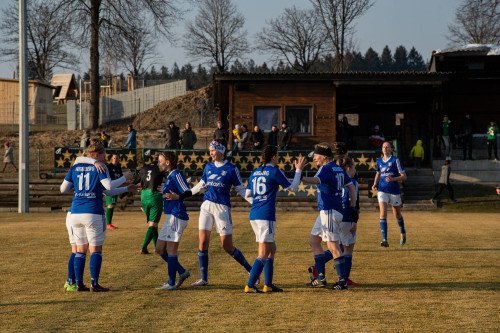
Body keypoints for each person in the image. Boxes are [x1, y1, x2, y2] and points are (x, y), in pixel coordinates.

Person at [60, 139, 133, 292]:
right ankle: (94, 284)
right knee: (95, 250)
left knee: (80, 250)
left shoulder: (76, 167)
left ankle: (78, 284)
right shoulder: (101, 167)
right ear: (95, 155)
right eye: (103, 155)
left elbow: (63, 189)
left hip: (75, 213)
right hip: (93, 212)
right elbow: (108, 186)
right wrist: (125, 177)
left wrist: (126, 188)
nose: (105, 158)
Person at [189, 141, 253, 287]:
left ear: (221, 151)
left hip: (222, 208)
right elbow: (201, 184)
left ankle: (251, 270)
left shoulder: (231, 168)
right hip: (206, 205)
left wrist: (255, 202)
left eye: (213, 150)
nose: (210, 153)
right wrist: (184, 194)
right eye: (210, 150)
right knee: (203, 242)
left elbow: (241, 190)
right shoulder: (208, 166)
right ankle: (204, 279)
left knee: (227, 246)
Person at [244, 146, 305, 293]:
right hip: (266, 216)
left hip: (254, 215)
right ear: (273, 157)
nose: (278, 158)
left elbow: (247, 195)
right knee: (264, 253)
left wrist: (258, 203)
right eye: (277, 155)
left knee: (271, 250)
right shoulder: (274, 171)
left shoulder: (255, 172)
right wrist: (298, 170)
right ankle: (250, 285)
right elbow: (294, 188)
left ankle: (268, 285)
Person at [301, 143, 357, 290]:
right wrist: (353, 207)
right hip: (328, 210)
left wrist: (301, 176)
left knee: (332, 246)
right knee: (314, 240)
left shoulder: (325, 168)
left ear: (324, 157)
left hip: (330, 210)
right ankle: (320, 277)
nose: (314, 159)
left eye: (316, 156)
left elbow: (315, 180)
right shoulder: (338, 168)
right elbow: (351, 186)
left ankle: (342, 281)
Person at [154, 151, 192, 291]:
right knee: (159, 248)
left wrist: (178, 197)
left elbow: (188, 191)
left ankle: (171, 283)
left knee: (171, 250)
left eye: (160, 161)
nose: (158, 163)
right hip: (170, 217)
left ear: (168, 163)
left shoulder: (176, 174)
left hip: (177, 216)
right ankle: (182, 272)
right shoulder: (170, 176)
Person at [372, 141, 407, 247]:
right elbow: (378, 173)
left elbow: (404, 176)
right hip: (382, 190)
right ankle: (384, 239)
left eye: (387, 147)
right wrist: (375, 184)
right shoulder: (379, 161)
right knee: (383, 213)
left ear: (392, 149)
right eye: (383, 147)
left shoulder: (395, 160)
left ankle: (402, 231)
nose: (385, 149)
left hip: (394, 191)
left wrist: (393, 178)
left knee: (397, 214)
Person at [133, 156, 165, 254]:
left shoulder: (144, 167)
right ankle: (144, 247)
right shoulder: (161, 167)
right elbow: (170, 179)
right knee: (153, 223)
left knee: (153, 223)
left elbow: (136, 181)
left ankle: (157, 247)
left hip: (144, 196)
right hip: (154, 195)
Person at [105, 154, 123, 230]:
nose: (115, 159)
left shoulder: (119, 167)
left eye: (117, 158)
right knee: (110, 205)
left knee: (112, 205)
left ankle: (108, 223)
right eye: (114, 158)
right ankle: (108, 224)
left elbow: (121, 177)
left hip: (116, 188)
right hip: (110, 188)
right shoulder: (109, 167)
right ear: (112, 159)